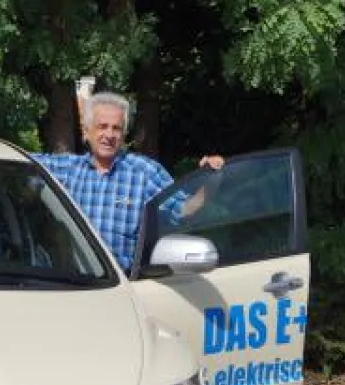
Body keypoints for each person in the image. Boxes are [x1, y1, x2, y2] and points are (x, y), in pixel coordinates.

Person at [31, 91, 223, 272]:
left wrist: (210, 181)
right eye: (102, 126)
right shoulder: (67, 169)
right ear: (87, 131)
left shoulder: (145, 172)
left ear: (124, 134)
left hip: (125, 285)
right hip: (75, 285)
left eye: (116, 128)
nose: (109, 135)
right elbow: (17, 160)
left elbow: (183, 210)